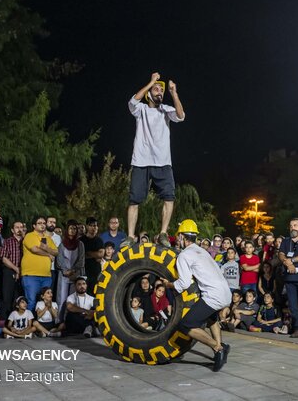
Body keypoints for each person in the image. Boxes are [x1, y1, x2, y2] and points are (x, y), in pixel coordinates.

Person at [122, 72, 185, 249]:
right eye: (156, 90)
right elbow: (133, 101)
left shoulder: (166, 109)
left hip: (163, 162)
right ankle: (130, 236)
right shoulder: (141, 109)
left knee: (169, 197)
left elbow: (180, 116)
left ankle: (163, 232)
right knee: (134, 200)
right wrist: (151, 82)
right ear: (149, 93)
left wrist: (173, 93)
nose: (159, 93)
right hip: (141, 162)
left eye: (161, 91)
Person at [161, 219, 231, 372]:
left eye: (179, 236)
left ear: (181, 237)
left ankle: (217, 347)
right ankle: (219, 352)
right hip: (226, 293)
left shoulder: (184, 255)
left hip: (214, 295)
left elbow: (184, 283)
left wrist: (169, 285)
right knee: (211, 318)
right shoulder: (202, 251)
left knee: (185, 325)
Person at [21, 216, 58, 311]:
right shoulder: (30, 236)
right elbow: (34, 249)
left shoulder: (48, 238)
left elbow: (56, 252)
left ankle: (42, 323)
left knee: (45, 302)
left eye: (44, 223)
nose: (42, 225)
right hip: (31, 275)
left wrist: (45, 248)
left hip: (46, 276)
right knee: (31, 301)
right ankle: (29, 324)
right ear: (34, 225)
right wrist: (48, 255)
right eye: (39, 223)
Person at [56, 220, 86, 322]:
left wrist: (73, 271)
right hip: (64, 275)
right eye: (70, 228)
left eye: (74, 229)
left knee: (74, 300)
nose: (72, 230)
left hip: (75, 275)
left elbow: (81, 260)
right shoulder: (62, 244)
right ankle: (60, 322)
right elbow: (59, 260)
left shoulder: (80, 244)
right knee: (62, 299)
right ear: (67, 230)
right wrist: (65, 271)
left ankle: (73, 322)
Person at [0, 221, 24, 312]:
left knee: (20, 297)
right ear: (12, 230)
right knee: (7, 296)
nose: (19, 229)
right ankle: (6, 320)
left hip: (24, 272)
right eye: (17, 227)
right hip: (9, 271)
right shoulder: (7, 241)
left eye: (21, 227)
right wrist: (16, 269)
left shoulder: (26, 241)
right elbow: (4, 258)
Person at [80, 217, 104, 299]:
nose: (94, 227)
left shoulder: (99, 240)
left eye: (95, 226)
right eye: (92, 225)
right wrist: (95, 255)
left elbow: (101, 254)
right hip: (84, 271)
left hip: (96, 272)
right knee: (83, 293)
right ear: (87, 226)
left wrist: (88, 253)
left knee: (94, 293)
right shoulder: (81, 240)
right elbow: (80, 255)